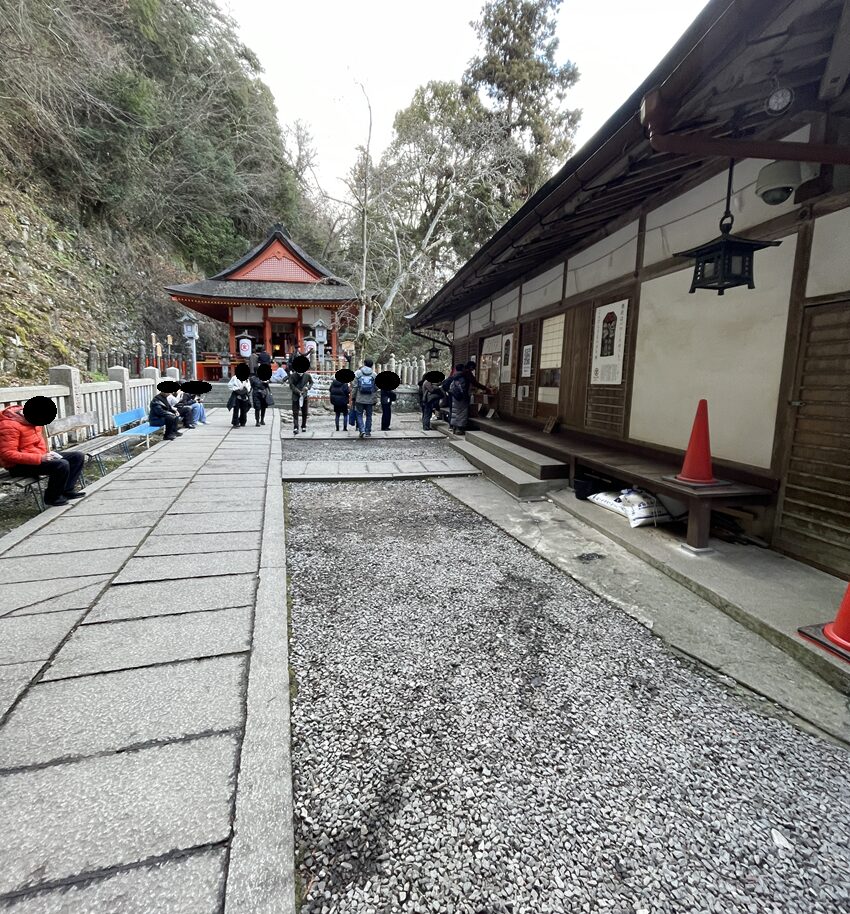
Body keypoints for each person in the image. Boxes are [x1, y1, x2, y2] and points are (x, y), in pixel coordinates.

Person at [0, 397, 86, 507]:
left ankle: (66, 490)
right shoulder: (8, 426)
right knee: (61, 465)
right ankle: (52, 498)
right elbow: (7, 454)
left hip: (38, 457)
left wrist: (47, 455)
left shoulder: (33, 418)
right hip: (18, 466)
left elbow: (38, 443)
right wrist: (40, 458)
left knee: (77, 456)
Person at [450, 361, 492, 436]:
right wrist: (486, 388)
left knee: (456, 411)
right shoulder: (466, 374)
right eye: (473, 368)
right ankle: (459, 429)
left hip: (455, 396)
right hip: (462, 396)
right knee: (462, 412)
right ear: (471, 367)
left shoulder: (456, 375)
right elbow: (475, 383)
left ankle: (454, 427)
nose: (473, 370)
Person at [351, 358, 378, 438]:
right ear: (372, 365)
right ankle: (368, 431)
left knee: (359, 414)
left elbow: (355, 387)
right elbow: (376, 387)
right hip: (370, 398)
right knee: (369, 415)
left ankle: (361, 430)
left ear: (364, 363)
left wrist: (353, 397)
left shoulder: (358, 373)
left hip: (359, 398)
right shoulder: (374, 375)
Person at [287, 357, 314, 434]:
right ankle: (296, 427)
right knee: (295, 412)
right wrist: (298, 392)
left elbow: (311, 382)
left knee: (304, 412)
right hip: (296, 396)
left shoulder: (307, 375)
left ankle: (304, 425)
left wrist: (307, 387)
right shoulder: (293, 376)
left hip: (304, 396)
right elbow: (291, 385)